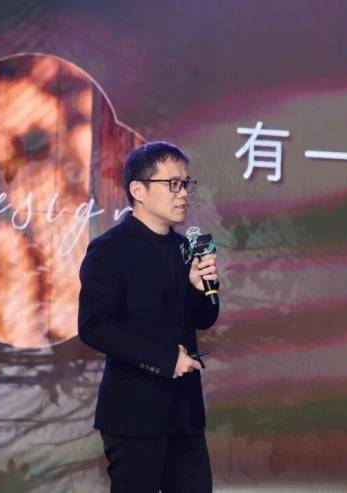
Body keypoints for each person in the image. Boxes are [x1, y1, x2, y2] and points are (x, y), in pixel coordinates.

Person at [77, 141, 219, 492]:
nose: (183, 193)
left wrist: (200, 288)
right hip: (134, 412)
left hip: (185, 413)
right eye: (173, 184)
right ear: (138, 190)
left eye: (186, 184)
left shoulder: (188, 247)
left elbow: (205, 318)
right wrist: (165, 358)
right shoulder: (109, 249)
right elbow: (94, 325)